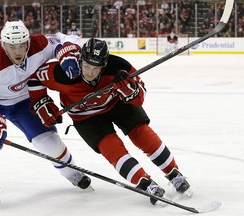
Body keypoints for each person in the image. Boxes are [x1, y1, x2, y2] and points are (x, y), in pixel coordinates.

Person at [27, 38, 193, 206]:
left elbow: (140, 96)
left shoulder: (118, 66)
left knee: (142, 133)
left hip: (116, 103)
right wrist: (42, 102)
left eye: (96, 68)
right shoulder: (62, 72)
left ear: (104, 64)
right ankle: (145, 183)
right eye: (86, 66)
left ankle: (173, 173)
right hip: (85, 116)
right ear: (80, 59)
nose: (90, 72)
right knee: (111, 147)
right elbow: (34, 78)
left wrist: (132, 92)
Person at [0, 20, 91, 207]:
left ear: (28, 42)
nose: (17, 51)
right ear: (3, 44)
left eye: (21, 45)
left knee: (50, 141)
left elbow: (64, 39)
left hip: (23, 103)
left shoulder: (39, 44)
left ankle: (71, 171)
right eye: (11, 46)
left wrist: (67, 51)